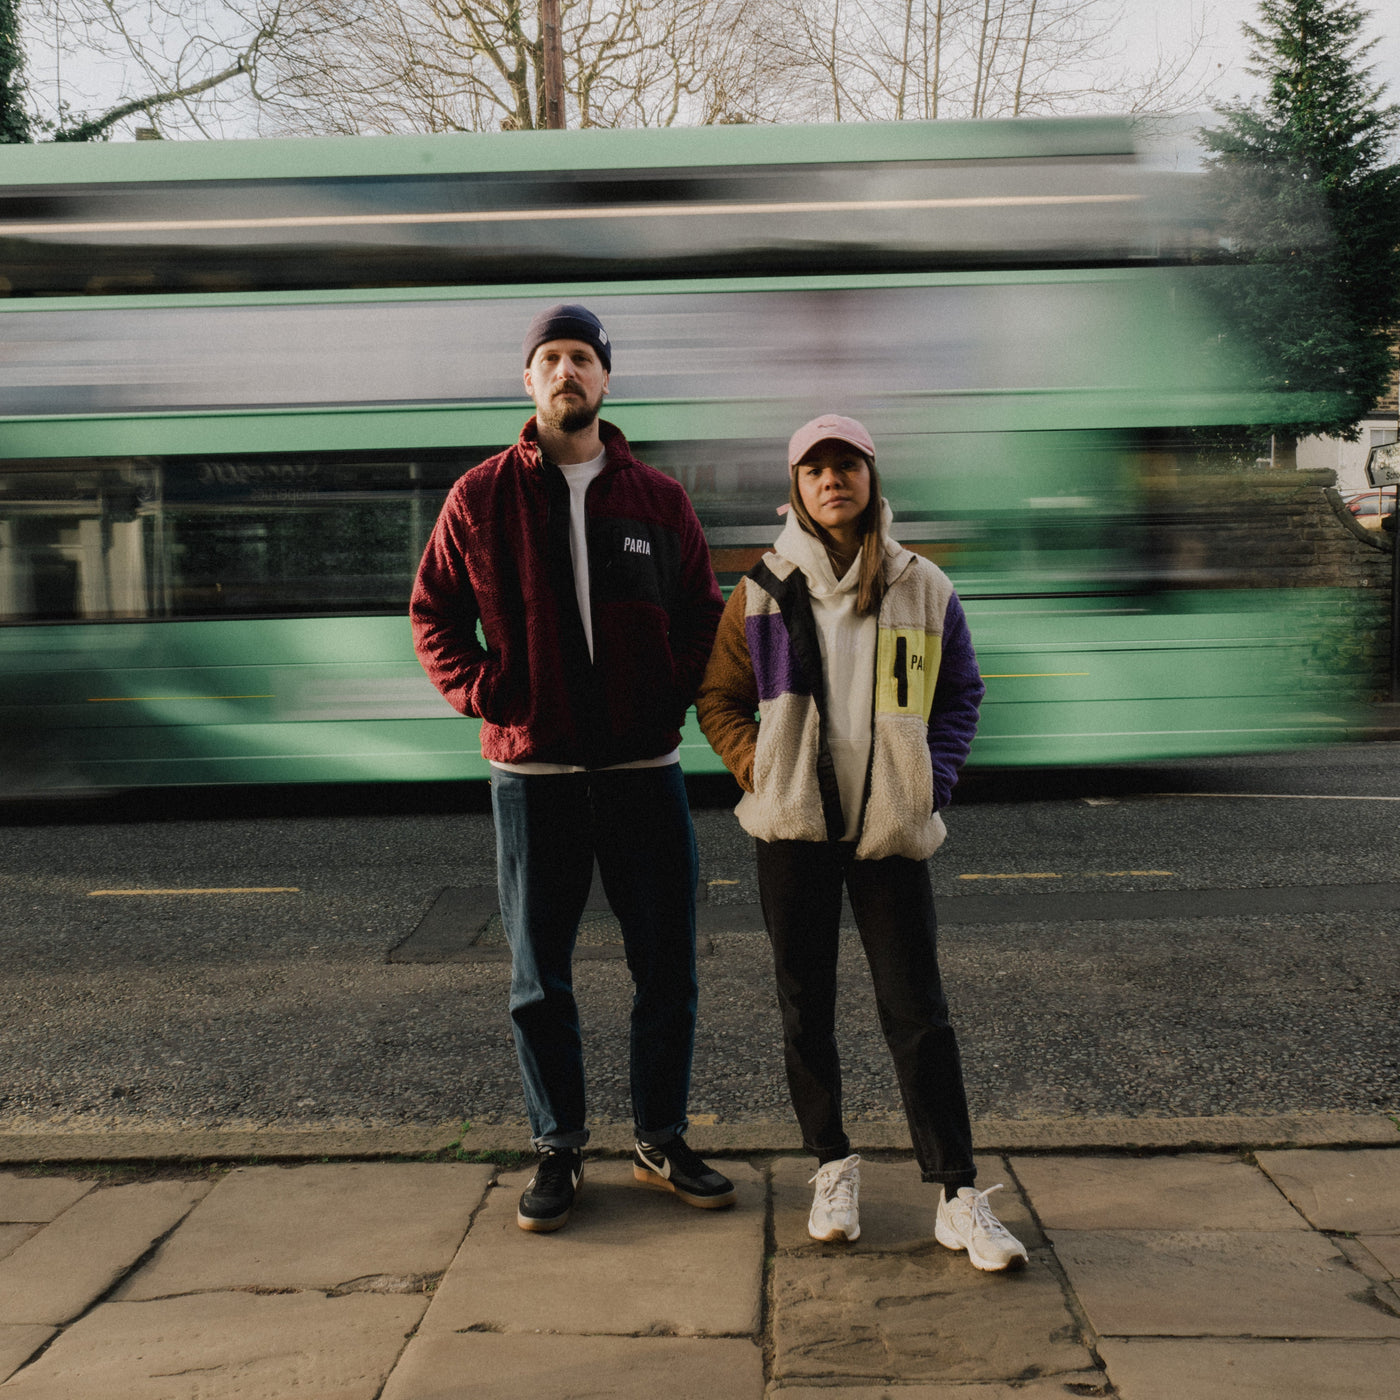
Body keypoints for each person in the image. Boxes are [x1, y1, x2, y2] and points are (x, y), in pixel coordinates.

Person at [411, 303, 735, 1232]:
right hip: (534, 776)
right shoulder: (479, 497)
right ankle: (558, 1147)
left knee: (666, 969)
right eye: (550, 358)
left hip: (644, 769)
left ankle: (660, 1140)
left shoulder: (660, 500)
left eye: (582, 357)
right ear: (528, 379)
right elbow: (433, 614)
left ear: (605, 377)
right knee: (537, 979)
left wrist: (670, 691)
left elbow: (702, 615)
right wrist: (487, 691)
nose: (566, 371)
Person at [696, 413, 1027, 1271]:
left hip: (890, 829)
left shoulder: (922, 585)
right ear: (797, 488)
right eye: (815, 469)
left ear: (872, 479)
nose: (831, 480)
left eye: (846, 465)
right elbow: (718, 696)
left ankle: (956, 1194)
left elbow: (960, 693)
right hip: (795, 828)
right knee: (805, 1007)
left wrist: (931, 782)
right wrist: (761, 770)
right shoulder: (763, 588)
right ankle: (831, 1165)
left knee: (917, 1012)